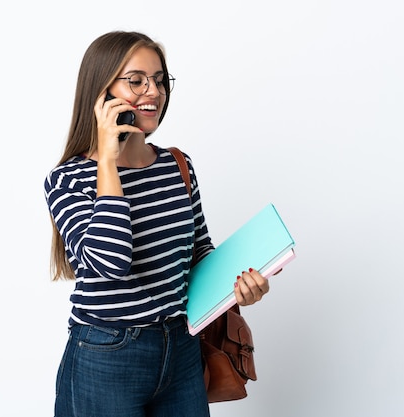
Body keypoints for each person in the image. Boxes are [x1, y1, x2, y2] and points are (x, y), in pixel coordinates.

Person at [44, 31, 270, 417]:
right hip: (107, 356)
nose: (154, 91)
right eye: (136, 80)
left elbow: (198, 252)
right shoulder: (69, 179)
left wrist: (238, 288)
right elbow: (110, 262)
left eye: (160, 79)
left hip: (181, 348)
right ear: (101, 94)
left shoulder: (177, 165)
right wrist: (108, 165)